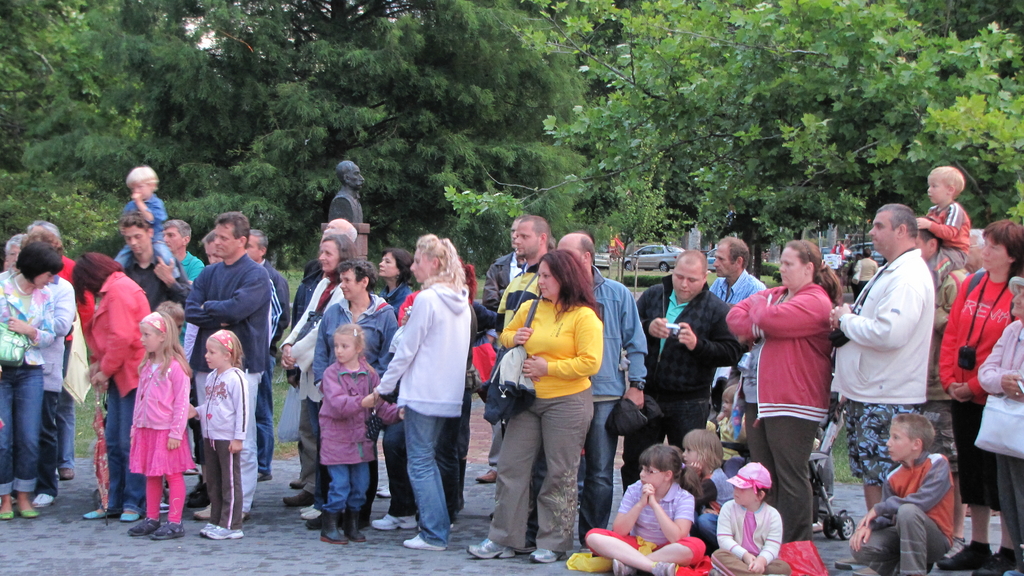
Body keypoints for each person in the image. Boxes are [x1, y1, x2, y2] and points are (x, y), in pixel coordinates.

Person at [468, 249, 603, 563]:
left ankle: (553, 542)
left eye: (547, 276)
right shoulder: (530, 307)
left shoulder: (584, 316)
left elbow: (590, 362)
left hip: (568, 402)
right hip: (526, 397)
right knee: (511, 467)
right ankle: (503, 538)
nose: (540, 282)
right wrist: (515, 337)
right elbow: (504, 335)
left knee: (560, 472)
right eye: (539, 275)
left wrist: (549, 368)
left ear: (566, 278)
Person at [726, 240, 842, 542]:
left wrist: (759, 318)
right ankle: (771, 541)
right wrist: (760, 320)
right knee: (765, 475)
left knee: (790, 476)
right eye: (782, 263)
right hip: (760, 398)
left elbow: (768, 318)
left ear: (808, 268)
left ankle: (797, 545)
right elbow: (735, 316)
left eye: (789, 264)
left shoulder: (815, 300)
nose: (782, 269)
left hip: (794, 400)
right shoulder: (777, 295)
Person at [371, 234, 471, 552]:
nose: (413, 267)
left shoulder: (427, 300)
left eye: (417, 261)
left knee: (421, 463)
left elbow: (406, 350)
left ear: (434, 263)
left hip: (423, 392)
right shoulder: (461, 301)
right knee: (434, 461)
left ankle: (433, 532)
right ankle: (438, 525)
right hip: (449, 393)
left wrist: (383, 388)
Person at [831, 204, 935, 511]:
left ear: (901, 231)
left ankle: (886, 538)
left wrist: (846, 321)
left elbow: (890, 333)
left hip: (888, 396)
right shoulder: (891, 270)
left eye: (879, 226)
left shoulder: (908, 277)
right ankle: (875, 534)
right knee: (872, 476)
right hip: (871, 392)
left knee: (887, 479)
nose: (872, 232)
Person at [937, 220, 1024, 576]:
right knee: (972, 471)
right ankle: (978, 543)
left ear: (1012, 255)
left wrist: (974, 386)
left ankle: (1008, 549)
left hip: (995, 398)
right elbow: (954, 332)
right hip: (962, 392)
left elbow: (1003, 354)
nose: (983, 252)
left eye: (992, 247)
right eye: (984, 244)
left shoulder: (1017, 293)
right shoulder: (973, 283)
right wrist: (948, 379)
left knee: (999, 477)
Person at [558, 231, 649, 546]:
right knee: (560, 469)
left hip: (605, 395)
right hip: (562, 394)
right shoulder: (555, 292)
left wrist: (637, 384)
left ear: (586, 257)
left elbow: (636, 343)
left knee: (599, 470)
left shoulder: (616, 293)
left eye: (567, 254)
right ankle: (554, 536)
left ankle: (593, 538)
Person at [624, 251, 743, 489]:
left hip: (690, 400)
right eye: (679, 277)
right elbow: (628, 328)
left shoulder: (716, 309)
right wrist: (648, 327)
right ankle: (635, 506)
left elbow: (732, 352)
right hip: (648, 394)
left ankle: (684, 509)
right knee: (636, 460)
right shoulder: (654, 295)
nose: (684, 284)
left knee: (689, 466)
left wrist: (697, 345)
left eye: (692, 280)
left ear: (705, 277)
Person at [185, 212, 271, 520]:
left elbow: (238, 309)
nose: (217, 242)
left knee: (240, 436)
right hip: (206, 364)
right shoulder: (209, 274)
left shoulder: (255, 275)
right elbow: (191, 310)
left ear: (241, 240)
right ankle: (218, 500)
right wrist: (219, 314)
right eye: (216, 236)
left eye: (224, 237)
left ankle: (240, 504)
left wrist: (212, 308)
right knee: (211, 435)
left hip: (242, 366)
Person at [312, 260, 396, 527]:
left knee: (364, 452)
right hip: (335, 395)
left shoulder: (384, 314)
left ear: (364, 282)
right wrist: (322, 382)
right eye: (341, 280)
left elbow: (390, 355)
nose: (342, 286)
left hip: (369, 396)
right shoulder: (334, 312)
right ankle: (330, 511)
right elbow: (321, 350)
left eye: (347, 280)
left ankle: (358, 514)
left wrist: (375, 387)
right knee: (331, 452)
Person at [279, 234, 355, 509]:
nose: (321, 258)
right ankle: (314, 487)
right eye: (321, 252)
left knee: (325, 435)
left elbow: (323, 328)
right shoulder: (323, 283)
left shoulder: (342, 291)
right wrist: (288, 345)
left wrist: (295, 353)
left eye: (328, 253)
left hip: (324, 368)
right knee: (310, 430)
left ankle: (326, 495)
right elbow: (305, 319)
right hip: (308, 367)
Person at [74, 253, 150, 522]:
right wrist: (100, 364)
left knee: (128, 443)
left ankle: (133, 502)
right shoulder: (116, 289)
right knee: (114, 442)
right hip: (122, 376)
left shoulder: (118, 290)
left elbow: (122, 337)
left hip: (131, 376)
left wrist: (104, 369)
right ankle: (113, 501)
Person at [318, 324, 399, 545]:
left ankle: (351, 524)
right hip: (336, 440)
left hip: (361, 442)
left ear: (358, 348)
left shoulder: (370, 375)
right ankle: (329, 526)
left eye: (344, 346)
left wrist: (398, 413)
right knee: (339, 485)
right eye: (336, 346)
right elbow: (338, 404)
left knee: (361, 486)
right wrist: (363, 401)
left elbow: (380, 406)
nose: (338, 351)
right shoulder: (331, 374)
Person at [0, 242, 62, 519]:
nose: (51, 280)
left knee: (28, 436)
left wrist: (30, 331)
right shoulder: (2, 287)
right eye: (48, 274)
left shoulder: (45, 295)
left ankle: (24, 495)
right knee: (3, 438)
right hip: (2, 371)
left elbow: (50, 335)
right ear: (35, 269)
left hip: (31, 370)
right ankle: (4, 498)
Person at [850, 414, 954, 576]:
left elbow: (923, 501)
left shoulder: (937, 463)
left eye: (896, 438)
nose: (888, 443)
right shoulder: (893, 475)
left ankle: (912, 573)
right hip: (904, 536)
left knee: (908, 511)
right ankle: (909, 568)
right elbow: (887, 517)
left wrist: (880, 508)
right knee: (860, 545)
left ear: (916, 444)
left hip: (936, 540)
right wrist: (868, 527)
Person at [917, 229, 968, 553]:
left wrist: (926, 310)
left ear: (932, 244)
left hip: (943, 385)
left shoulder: (954, 279)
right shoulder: (922, 275)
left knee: (951, 462)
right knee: (925, 459)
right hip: (918, 382)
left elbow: (959, 327)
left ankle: (956, 532)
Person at [584, 445, 706, 576]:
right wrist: (640, 504)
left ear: (667, 475)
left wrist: (654, 505)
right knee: (593, 536)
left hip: (668, 549)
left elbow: (676, 537)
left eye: (649, 471)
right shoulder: (634, 489)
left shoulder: (684, 497)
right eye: (642, 469)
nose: (642, 474)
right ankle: (651, 567)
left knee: (697, 546)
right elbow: (619, 531)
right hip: (636, 545)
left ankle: (632, 564)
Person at [125, 311, 195, 540]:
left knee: (173, 475)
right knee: (151, 475)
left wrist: (176, 432)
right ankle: (152, 517)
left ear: (162, 336)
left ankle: (174, 521)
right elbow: (139, 400)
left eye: (147, 335)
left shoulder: (175, 368)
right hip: (147, 429)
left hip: (167, 431)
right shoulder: (147, 366)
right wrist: (135, 428)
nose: (142, 339)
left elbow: (182, 403)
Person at [24, 232, 75, 509]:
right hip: (12, 365)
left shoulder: (61, 288)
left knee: (45, 427)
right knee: (15, 431)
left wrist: (27, 326)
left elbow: (62, 326)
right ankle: (18, 485)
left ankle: (46, 484)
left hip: (46, 366)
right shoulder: (8, 284)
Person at [978, 275, 1024, 575]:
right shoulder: (1013, 330)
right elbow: (986, 372)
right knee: (1009, 496)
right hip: (1006, 426)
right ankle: (1020, 563)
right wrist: (1003, 381)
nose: (1015, 299)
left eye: (1022, 295)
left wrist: (1016, 383)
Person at [478, 217, 525, 484]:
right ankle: (496, 464)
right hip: (503, 339)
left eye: (521, 234)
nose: (515, 238)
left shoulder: (544, 268)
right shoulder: (499, 265)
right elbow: (491, 301)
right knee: (499, 397)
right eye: (513, 233)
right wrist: (512, 298)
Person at [246, 229, 290, 482]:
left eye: (249, 246)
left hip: (262, 353)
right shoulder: (245, 274)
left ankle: (263, 464)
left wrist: (263, 345)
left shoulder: (273, 278)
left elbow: (280, 318)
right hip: (244, 353)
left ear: (262, 250)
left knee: (261, 410)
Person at [198, 330, 247, 540]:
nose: (207, 356)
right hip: (210, 435)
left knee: (230, 482)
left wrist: (238, 437)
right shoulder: (211, 377)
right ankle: (216, 519)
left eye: (212, 352)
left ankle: (231, 524)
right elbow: (212, 405)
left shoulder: (236, 378)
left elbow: (242, 409)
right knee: (214, 481)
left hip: (227, 437)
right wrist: (197, 412)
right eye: (207, 351)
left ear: (227, 355)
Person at [713, 462, 791, 576]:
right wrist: (744, 555)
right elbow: (724, 539)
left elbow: (772, 546)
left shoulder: (773, 515)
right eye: (736, 486)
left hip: (759, 560)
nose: (736, 490)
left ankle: (738, 573)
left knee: (784, 567)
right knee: (718, 555)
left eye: (742, 488)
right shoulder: (728, 508)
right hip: (736, 557)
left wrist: (761, 561)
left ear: (760, 495)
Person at [118, 211, 191, 311]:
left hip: (162, 319)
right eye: (128, 238)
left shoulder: (168, 263)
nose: (133, 242)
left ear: (150, 233)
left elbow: (189, 301)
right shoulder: (124, 267)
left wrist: (171, 282)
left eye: (138, 236)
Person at [114, 166, 177, 275]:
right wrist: (123, 229)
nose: (136, 191)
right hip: (135, 239)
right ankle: (114, 275)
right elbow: (125, 222)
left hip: (156, 238)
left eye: (140, 187)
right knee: (120, 259)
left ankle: (175, 275)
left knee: (165, 256)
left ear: (152, 186)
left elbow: (151, 219)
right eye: (133, 189)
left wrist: (139, 203)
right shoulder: (130, 205)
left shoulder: (156, 203)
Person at [917, 166, 971, 285]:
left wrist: (929, 225)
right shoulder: (933, 210)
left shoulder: (954, 209)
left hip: (955, 252)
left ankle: (930, 290)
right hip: (940, 249)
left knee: (935, 269)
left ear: (950, 190)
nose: (929, 190)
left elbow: (950, 233)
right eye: (929, 186)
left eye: (934, 186)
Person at [496, 215, 549, 328]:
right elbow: (501, 326)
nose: (517, 241)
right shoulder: (516, 280)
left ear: (542, 238)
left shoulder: (553, 279)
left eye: (524, 237)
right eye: (517, 236)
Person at [710, 237, 766, 305]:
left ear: (739, 262)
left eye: (721, 259)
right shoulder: (718, 283)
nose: (715, 264)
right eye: (716, 258)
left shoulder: (756, 290)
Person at [378, 247, 414, 313]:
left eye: (387, 262)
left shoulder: (405, 298)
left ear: (400, 270)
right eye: (382, 261)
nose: (381, 264)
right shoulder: (383, 294)